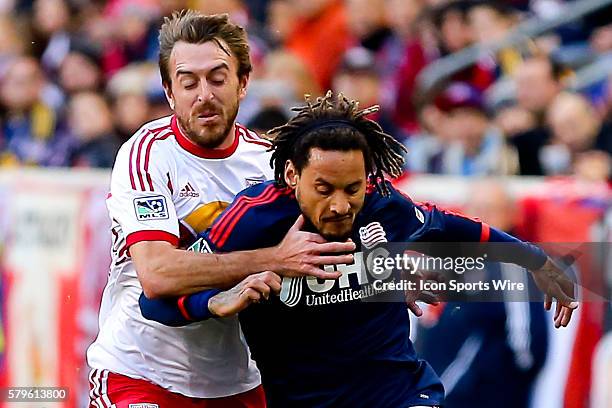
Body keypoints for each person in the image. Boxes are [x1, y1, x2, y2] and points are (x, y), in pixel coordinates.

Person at [140, 92, 578, 408]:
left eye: (352, 188)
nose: (340, 204)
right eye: (324, 188)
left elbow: (453, 227)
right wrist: (215, 300)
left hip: (400, 393)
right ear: (292, 175)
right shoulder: (253, 221)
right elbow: (156, 301)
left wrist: (533, 258)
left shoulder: (384, 204)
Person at [86, 11, 354, 408]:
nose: (204, 95)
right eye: (188, 82)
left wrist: (390, 275)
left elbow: (331, 248)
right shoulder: (146, 154)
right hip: (140, 370)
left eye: (217, 77)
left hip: (237, 381)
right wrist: (275, 259)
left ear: (243, 83)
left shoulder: (272, 165)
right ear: (169, 91)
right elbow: (157, 273)